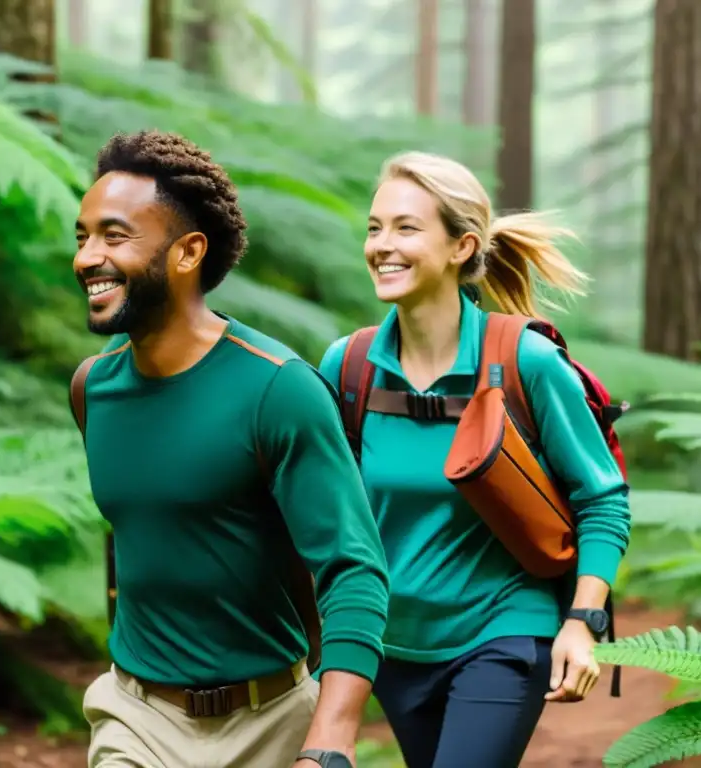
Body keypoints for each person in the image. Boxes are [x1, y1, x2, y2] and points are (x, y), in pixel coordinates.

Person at [71, 129, 391, 768]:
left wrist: (330, 742)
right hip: (135, 717)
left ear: (188, 252)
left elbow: (353, 571)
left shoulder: (279, 389)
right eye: (82, 237)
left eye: (113, 235)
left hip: (271, 722)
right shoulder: (91, 389)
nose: (86, 258)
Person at [318, 151, 632, 768]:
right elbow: (323, 509)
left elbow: (602, 498)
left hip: (504, 629)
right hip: (394, 644)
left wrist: (581, 621)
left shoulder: (525, 363)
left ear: (461, 247)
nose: (382, 245)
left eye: (406, 228)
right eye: (374, 227)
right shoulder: (348, 368)